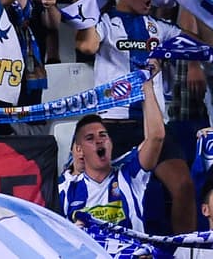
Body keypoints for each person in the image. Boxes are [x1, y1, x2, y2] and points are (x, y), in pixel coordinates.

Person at [76, 0, 205, 233]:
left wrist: (192, 4)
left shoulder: (159, 28)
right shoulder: (106, 24)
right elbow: (86, 46)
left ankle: (185, 251)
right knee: (115, 195)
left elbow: (205, 45)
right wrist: (85, 9)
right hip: (114, 127)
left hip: (154, 129)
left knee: (183, 185)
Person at [59, 63, 164, 230]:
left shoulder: (129, 173)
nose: (99, 141)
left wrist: (147, 86)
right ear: (79, 150)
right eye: (90, 138)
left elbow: (156, 137)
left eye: (103, 135)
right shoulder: (66, 188)